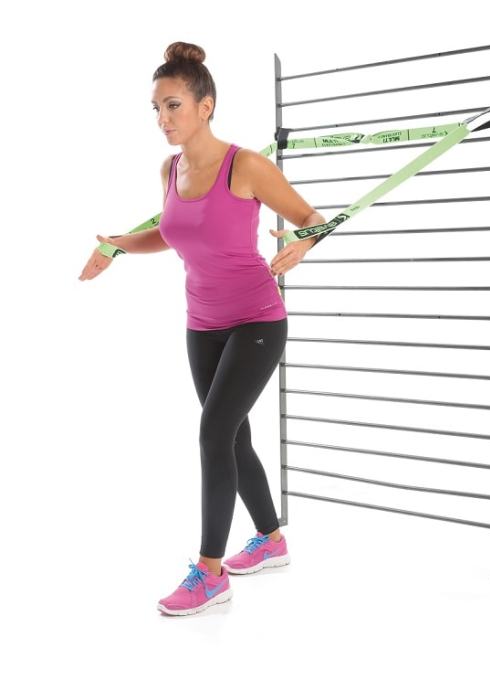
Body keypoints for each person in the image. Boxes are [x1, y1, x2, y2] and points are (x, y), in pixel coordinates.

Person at [79, 40, 326, 616]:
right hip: (202, 323)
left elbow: (310, 217)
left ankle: (210, 573)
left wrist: (303, 243)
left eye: (173, 106)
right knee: (232, 437)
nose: (162, 119)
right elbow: (171, 234)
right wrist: (117, 246)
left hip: (257, 319)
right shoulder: (170, 170)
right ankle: (271, 539)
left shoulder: (247, 166)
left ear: (205, 106)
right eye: (156, 108)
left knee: (214, 434)